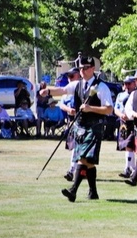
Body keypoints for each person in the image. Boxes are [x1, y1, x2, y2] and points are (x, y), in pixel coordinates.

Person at [41, 56, 114, 202]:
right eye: (81, 68)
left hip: (95, 126)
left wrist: (90, 108)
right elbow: (62, 90)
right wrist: (47, 92)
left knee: (82, 159)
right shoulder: (77, 84)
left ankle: (73, 190)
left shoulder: (101, 86)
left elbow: (109, 109)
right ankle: (93, 193)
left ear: (93, 69)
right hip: (80, 126)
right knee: (89, 162)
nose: (83, 70)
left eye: (86, 68)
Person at [115, 77, 137, 178]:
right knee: (126, 146)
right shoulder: (120, 95)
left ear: (134, 84)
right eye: (125, 83)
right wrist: (121, 115)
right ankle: (130, 167)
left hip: (134, 123)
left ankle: (129, 168)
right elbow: (116, 108)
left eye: (129, 84)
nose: (127, 86)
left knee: (130, 145)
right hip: (123, 123)